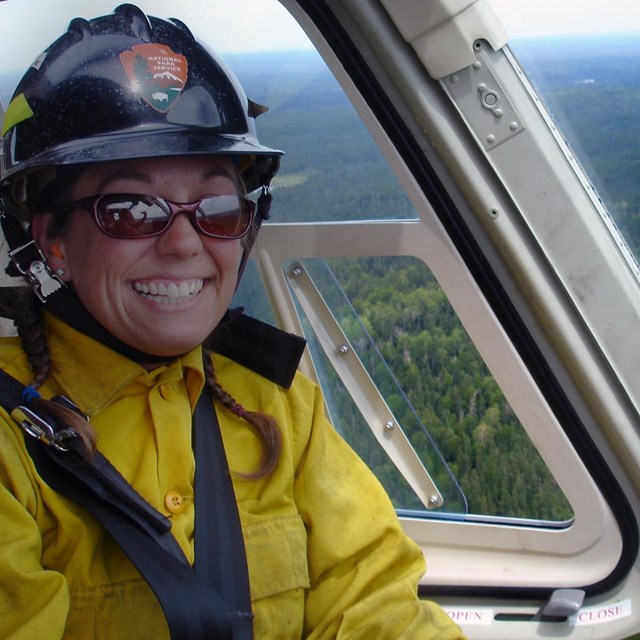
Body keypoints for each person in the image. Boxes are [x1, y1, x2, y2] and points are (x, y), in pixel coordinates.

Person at [0, 4, 465, 639]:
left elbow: (373, 600)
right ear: (51, 239)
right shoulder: (9, 441)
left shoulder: (276, 401)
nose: (186, 244)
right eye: (133, 211)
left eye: (216, 207)